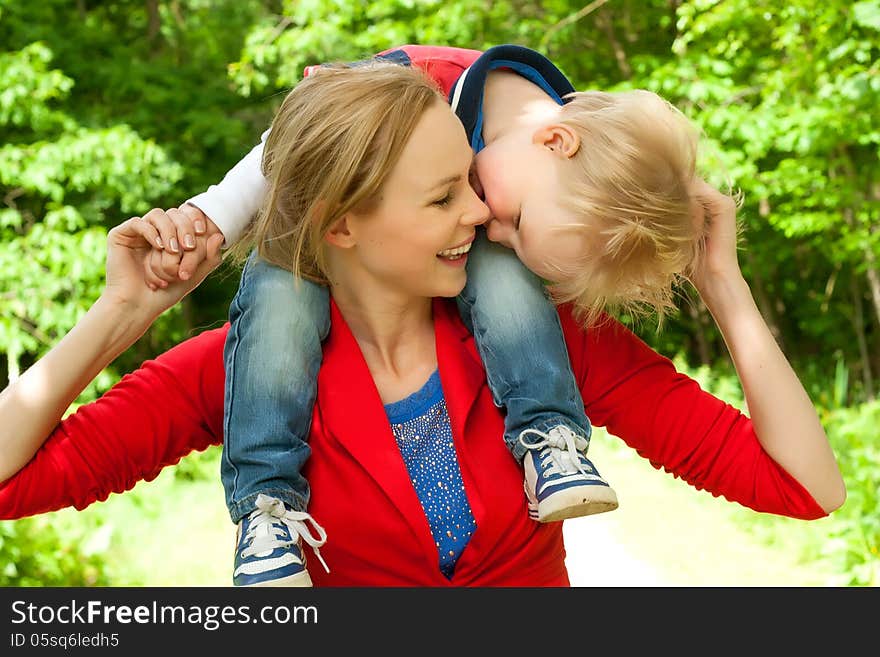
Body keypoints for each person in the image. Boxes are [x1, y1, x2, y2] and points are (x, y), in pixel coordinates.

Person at [0, 59, 845, 587]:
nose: (480, 211)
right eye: (444, 196)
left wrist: (723, 285)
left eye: (471, 183)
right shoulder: (250, 369)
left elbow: (807, 489)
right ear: (341, 223)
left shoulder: (547, 349)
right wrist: (120, 316)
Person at [145, 44, 707, 586]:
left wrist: (719, 278)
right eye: (517, 221)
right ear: (556, 140)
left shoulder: (577, 164)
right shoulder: (425, 77)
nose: (489, 219)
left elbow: (797, 486)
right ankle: (267, 510)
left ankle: (548, 435)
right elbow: (300, 132)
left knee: (506, 276)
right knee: (277, 307)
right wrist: (213, 216)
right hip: (303, 230)